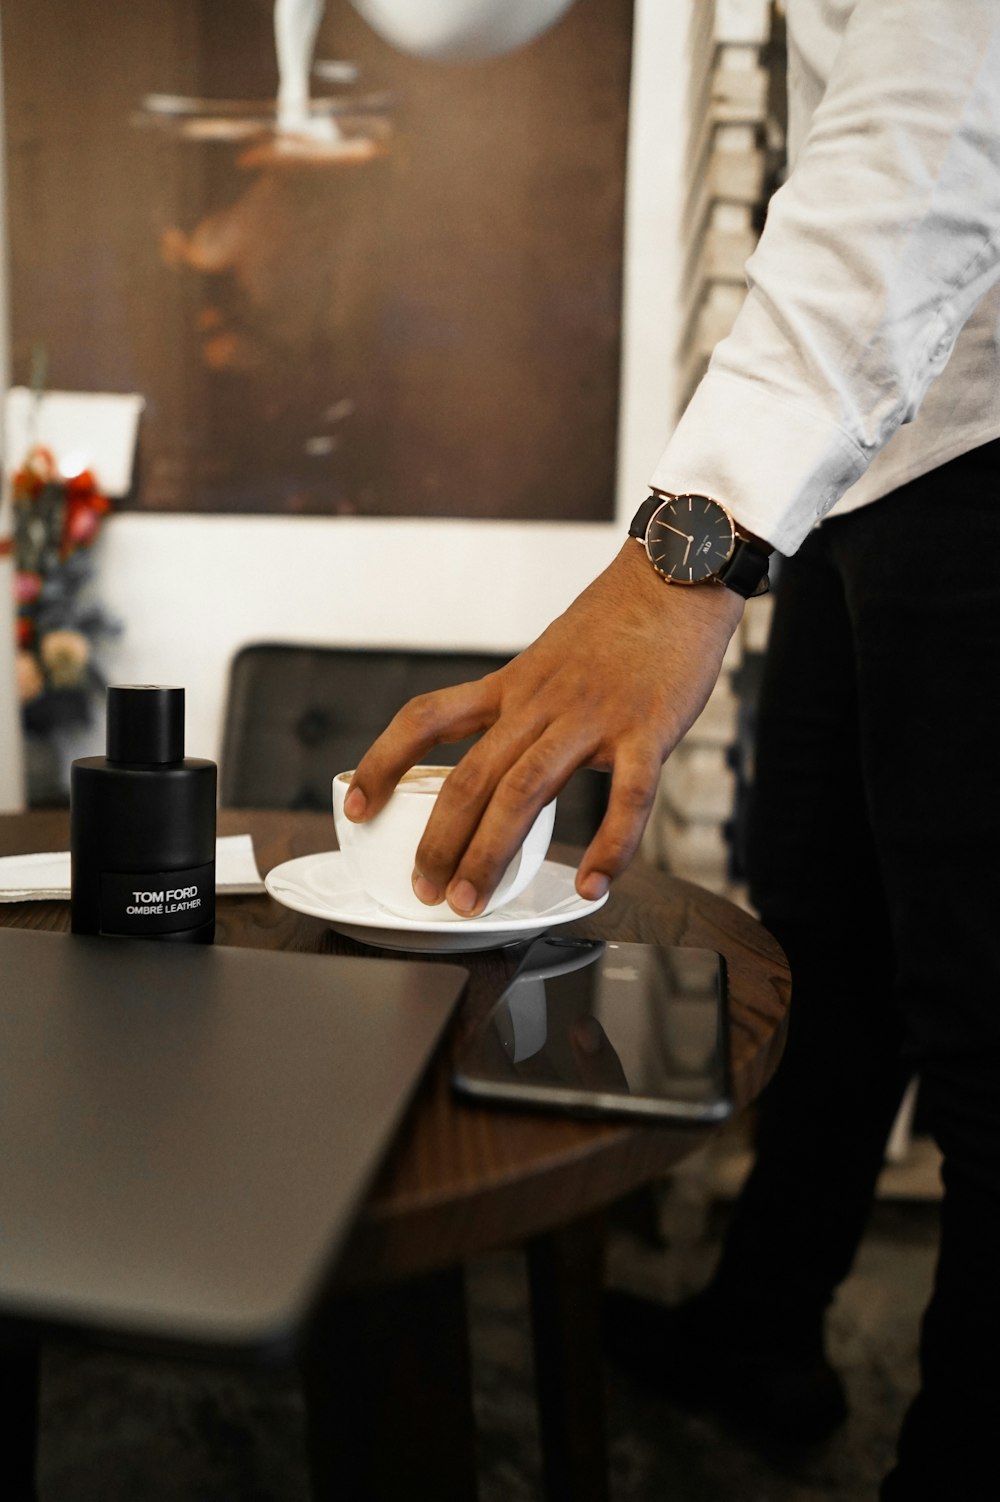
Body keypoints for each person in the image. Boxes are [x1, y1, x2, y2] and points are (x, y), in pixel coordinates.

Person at [345, 2, 1000, 1497]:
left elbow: (953, 80)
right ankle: (765, 1328)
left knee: (986, 1028)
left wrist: (679, 560)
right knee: (827, 927)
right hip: (875, 455)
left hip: (976, 437)